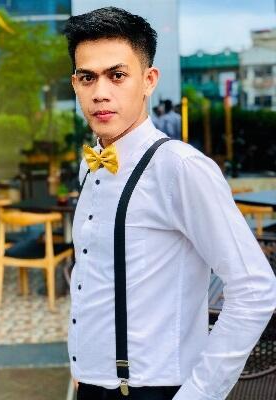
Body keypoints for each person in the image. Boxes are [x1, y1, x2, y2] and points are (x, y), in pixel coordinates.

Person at [63, 7, 276, 400]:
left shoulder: (179, 167)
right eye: (87, 77)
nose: (100, 92)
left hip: (155, 389)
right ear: (75, 83)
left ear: (149, 80)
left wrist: (199, 392)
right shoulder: (89, 166)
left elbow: (255, 288)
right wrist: (82, 369)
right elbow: (94, 277)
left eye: (117, 75)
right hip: (92, 385)